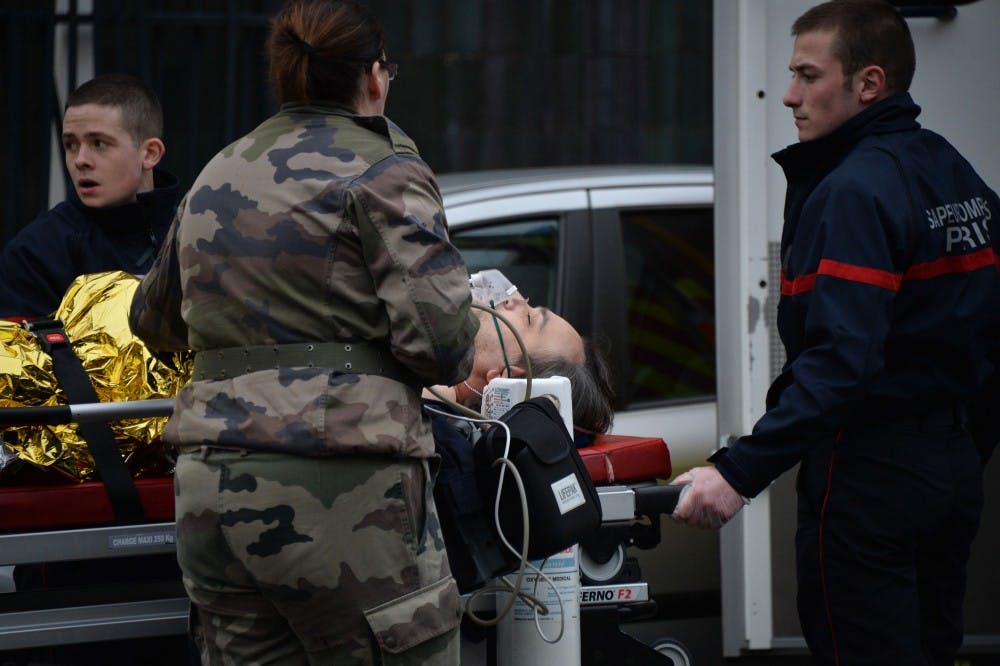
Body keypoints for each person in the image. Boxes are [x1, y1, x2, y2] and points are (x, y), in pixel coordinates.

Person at [128, 1, 479, 663]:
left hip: (211, 495)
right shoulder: (384, 167)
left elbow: (152, 320)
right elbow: (446, 346)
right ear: (375, 77)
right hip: (338, 492)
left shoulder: (220, 170)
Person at [671, 1, 1000, 664]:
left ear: (868, 83)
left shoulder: (855, 190)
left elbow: (839, 365)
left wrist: (737, 474)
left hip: (870, 477)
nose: (789, 95)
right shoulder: (950, 168)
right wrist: (962, 450)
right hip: (951, 469)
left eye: (807, 75)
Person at [0, 73, 179, 319]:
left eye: (99, 143)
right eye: (71, 145)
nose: (80, 160)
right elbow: (19, 353)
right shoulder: (36, 252)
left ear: (150, 154)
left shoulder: (192, 236)